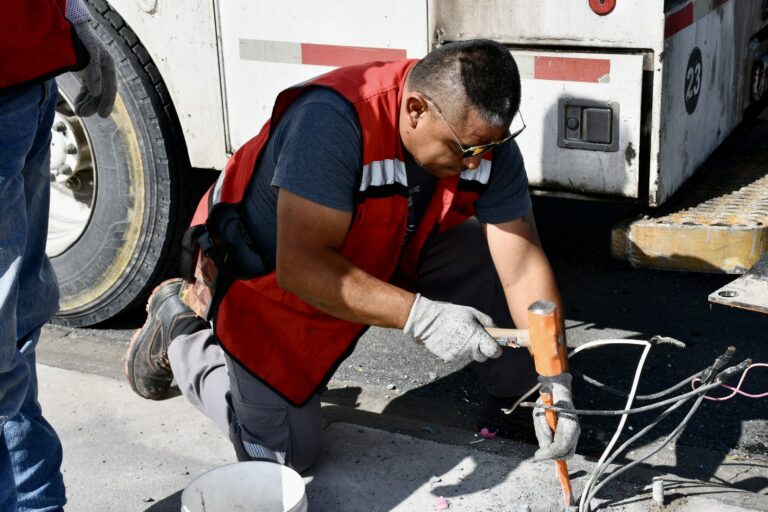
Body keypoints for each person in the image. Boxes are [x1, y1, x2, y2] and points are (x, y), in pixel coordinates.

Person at [125, 39, 579, 473]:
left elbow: (521, 267)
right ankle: (181, 330)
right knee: (283, 452)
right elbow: (302, 268)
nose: (477, 163)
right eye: (466, 150)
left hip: (378, 246)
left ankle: (522, 406)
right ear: (416, 110)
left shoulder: (482, 141)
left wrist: (553, 380)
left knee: (479, 254)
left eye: (489, 148)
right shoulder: (332, 123)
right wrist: (421, 316)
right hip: (267, 279)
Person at [0, 1, 115, 509]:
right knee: (10, 332)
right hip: (26, 64)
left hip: (28, 73)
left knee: (18, 320)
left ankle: (35, 500)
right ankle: (37, 499)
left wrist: (77, 18)